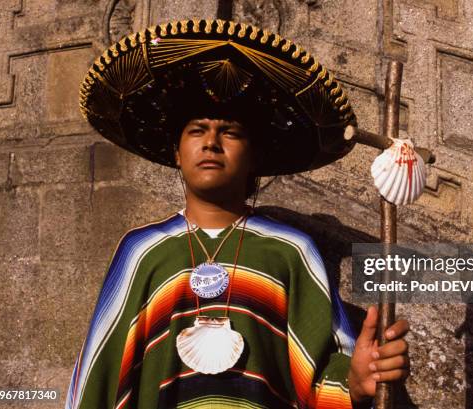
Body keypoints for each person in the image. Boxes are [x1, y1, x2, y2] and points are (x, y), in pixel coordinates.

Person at [67, 18, 409, 409]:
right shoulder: (142, 250)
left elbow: (318, 376)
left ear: (255, 156)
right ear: (177, 153)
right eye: (197, 130)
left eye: (230, 132)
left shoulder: (291, 251)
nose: (211, 142)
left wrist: (355, 380)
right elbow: (101, 376)